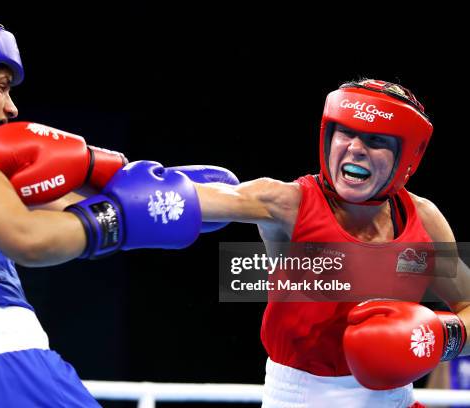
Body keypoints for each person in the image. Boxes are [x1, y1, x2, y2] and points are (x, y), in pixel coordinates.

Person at [0, 18, 237, 407]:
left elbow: (77, 210)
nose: (11, 107)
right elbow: (30, 238)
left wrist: (187, 198)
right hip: (2, 373)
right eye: (1, 86)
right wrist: (122, 217)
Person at [188, 79, 470, 407]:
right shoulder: (287, 204)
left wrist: (441, 336)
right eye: (345, 133)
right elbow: (207, 198)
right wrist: (119, 196)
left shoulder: (424, 220)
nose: (355, 148)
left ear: (405, 155)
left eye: (375, 139)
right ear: (328, 136)